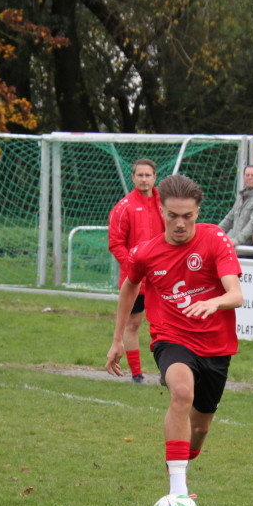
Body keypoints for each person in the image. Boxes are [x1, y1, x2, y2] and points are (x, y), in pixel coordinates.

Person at [105, 174, 243, 500]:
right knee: (181, 393)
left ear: (198, 212)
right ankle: (178, 492)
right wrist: (117, 339)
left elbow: (236, 294)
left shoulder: (214, 238)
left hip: (216, 346)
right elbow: (129, 287)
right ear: (162, 212)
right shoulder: (146, 253)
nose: (180, 223)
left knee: (201, 428)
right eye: (172, 215)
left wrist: (214, 302)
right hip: (171, 338)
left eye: (187, 216)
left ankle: (184, 463)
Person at [108, 158, 165, 384]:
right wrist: (134, 268)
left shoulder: (166, 205)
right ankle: (137, 374)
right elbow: (116, 244)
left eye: (147, 175)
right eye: (139, 175)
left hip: (162, 278)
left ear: (155, 177)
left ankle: (168, 371)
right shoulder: (124, 207)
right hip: (135, 280)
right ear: (133, 178)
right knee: (133, 324)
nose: (144, 179)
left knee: (165, 325)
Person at [217, 165, 253, 247]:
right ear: (243, 177)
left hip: (249, 249)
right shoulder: (241, 196)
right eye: (247, 175)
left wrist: (236, 240)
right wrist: (215, 234)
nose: (249, 178)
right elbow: (229, 218)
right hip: (236, 247)